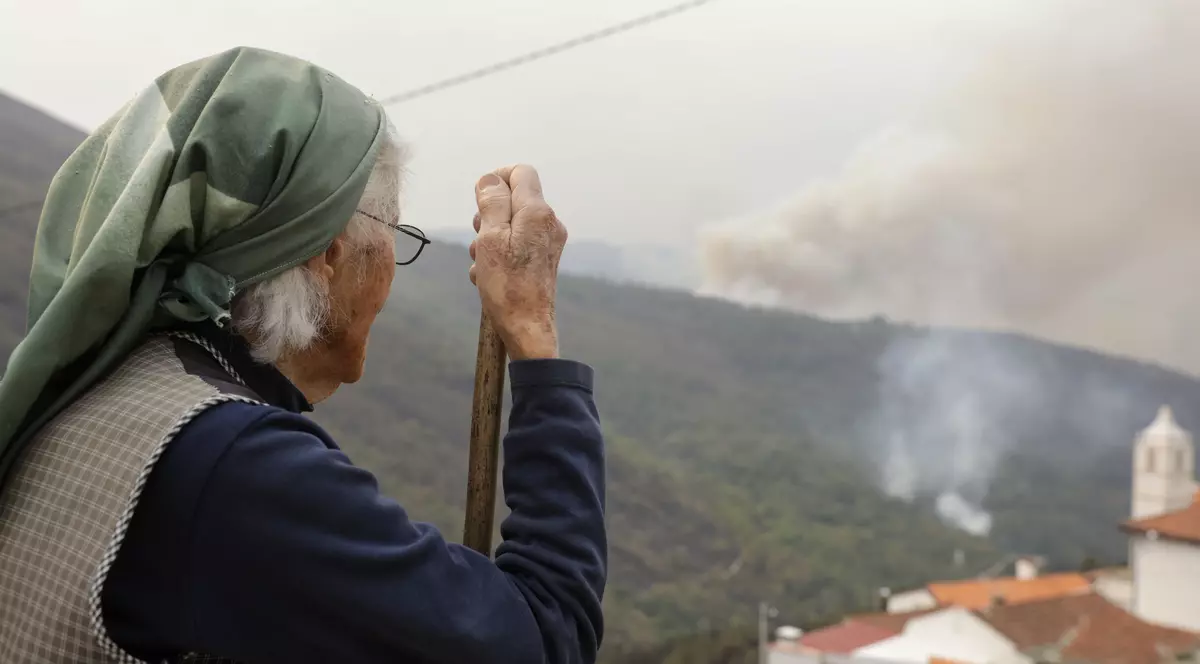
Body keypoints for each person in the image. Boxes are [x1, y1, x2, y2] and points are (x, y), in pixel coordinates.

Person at [0, 47, 606, 664]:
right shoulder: (233, 467)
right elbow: (545, 635)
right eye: (395, 238)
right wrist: (533, 333)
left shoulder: (105, 387)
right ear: (330, 256)